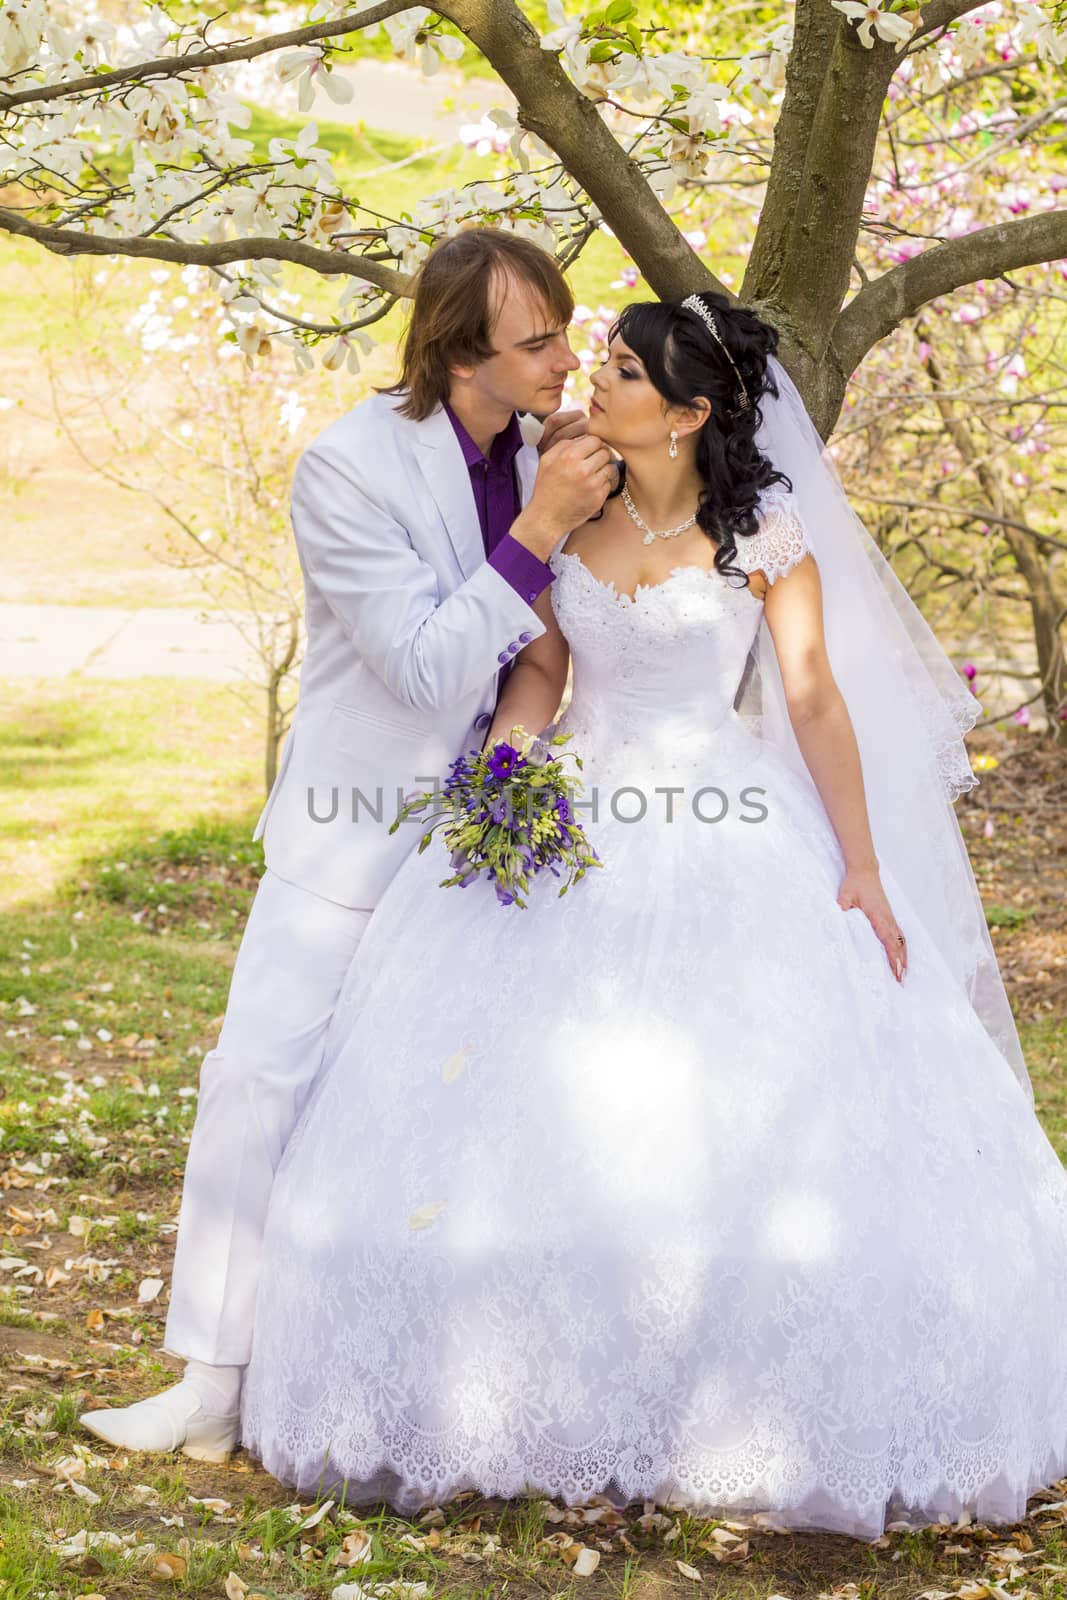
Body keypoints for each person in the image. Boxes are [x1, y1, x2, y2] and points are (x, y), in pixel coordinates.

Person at [235, 290, 1067, 1540]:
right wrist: (503, 780)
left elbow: (813, 702)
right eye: (598, 361)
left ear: (685, 413)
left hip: (727, 823)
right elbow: (539, 673)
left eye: (620, 371)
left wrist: (862, 868)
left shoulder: (762, 534)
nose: (590, 383)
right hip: (577, 809)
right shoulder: (573, 508)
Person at [79, 228, 617, 1460]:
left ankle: (416, 1376)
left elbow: (557, 645)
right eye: (537, 340)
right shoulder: (347, 469)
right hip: (350, 832)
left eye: (564, 329)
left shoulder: (556, 450)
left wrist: (520, 762)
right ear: (456, 347)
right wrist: (535, 526)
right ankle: (211, 1384)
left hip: (498, 840)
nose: (563, 357)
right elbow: (426, 664)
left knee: (454, 1108)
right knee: (259, 1082)